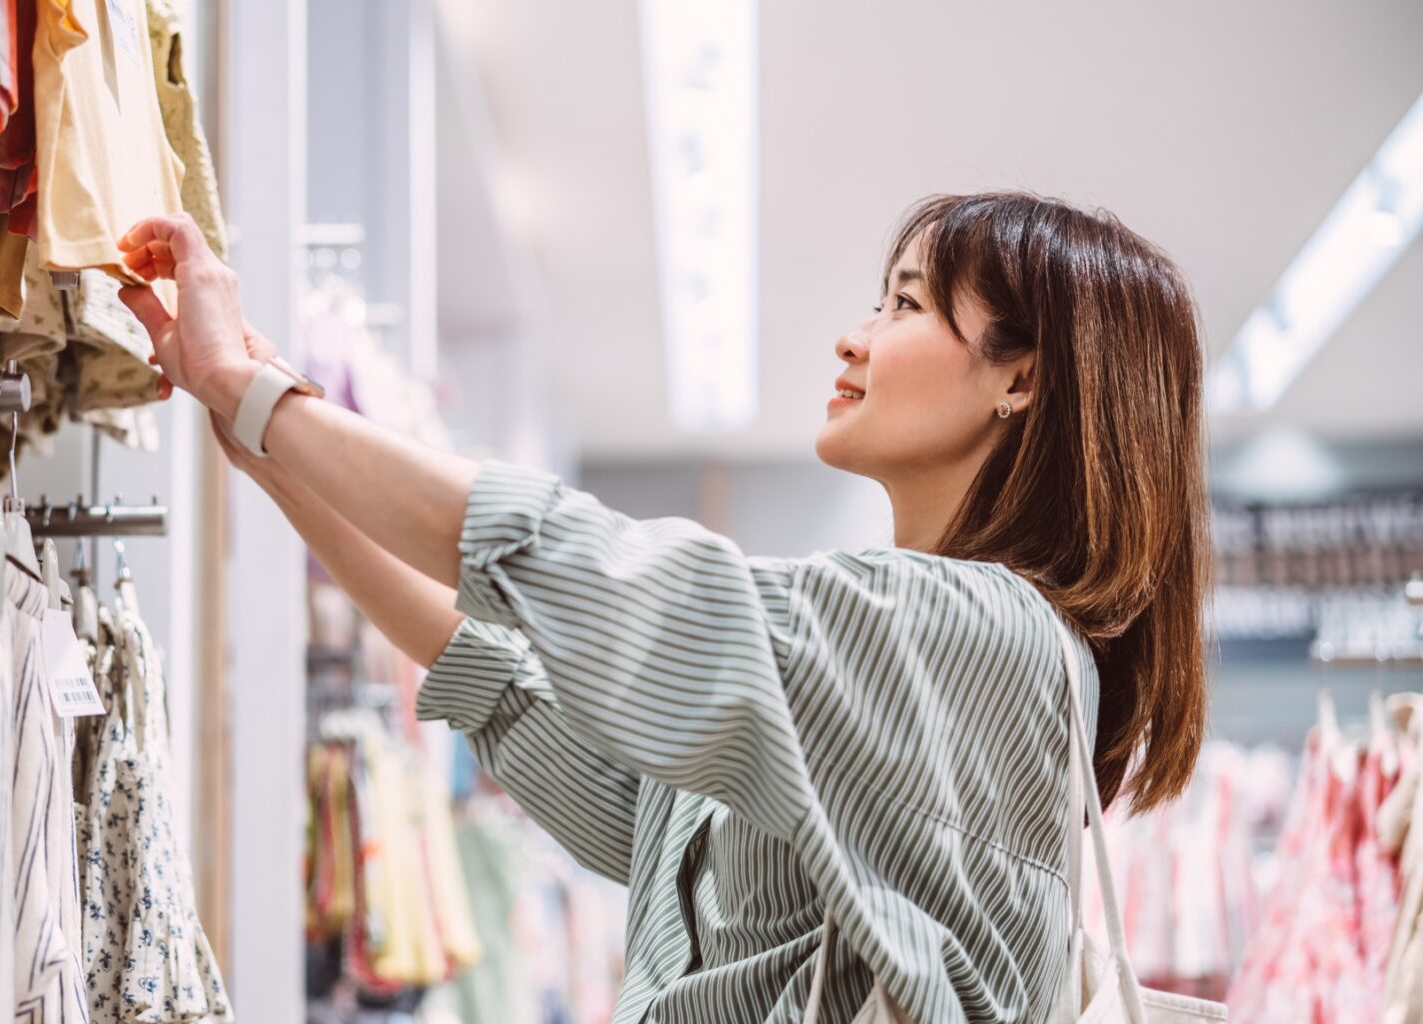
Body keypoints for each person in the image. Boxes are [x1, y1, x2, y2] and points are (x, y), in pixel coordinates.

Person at [116, 191, 1211, 1024]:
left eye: (908, 304)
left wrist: (269, 405)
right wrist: (273, 452)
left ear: (1021, 379)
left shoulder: (981, 632)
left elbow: (621, 582)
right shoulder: (889, 654)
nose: (856, 335)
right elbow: (588, 763)